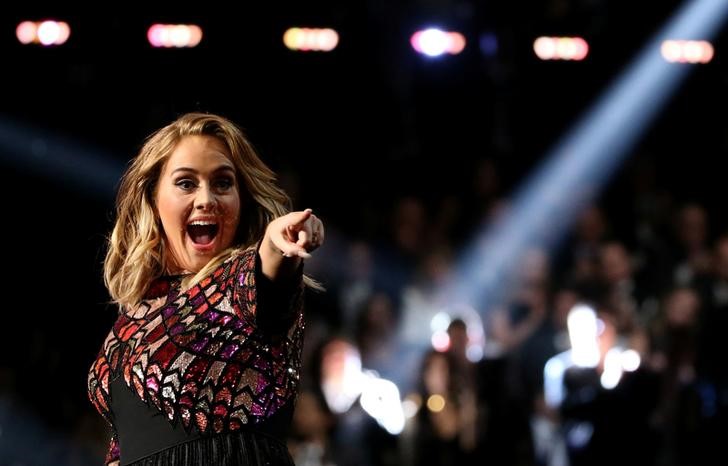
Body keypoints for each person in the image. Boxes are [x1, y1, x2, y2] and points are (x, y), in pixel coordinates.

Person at [87, 112, 325, 466]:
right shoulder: (133, 315)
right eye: (186, 183)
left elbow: (265, 279)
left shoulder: (237, 283)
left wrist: (278, 241)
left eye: (223, 183)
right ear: (153, 198)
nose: (206, 199)